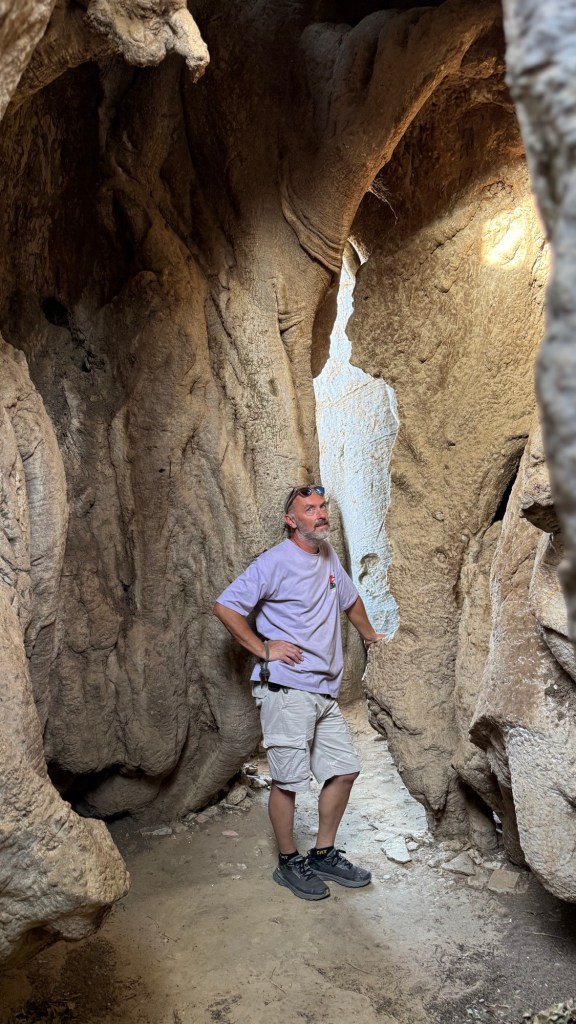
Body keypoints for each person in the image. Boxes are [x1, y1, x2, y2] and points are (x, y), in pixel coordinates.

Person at [213, 484, 384, 902]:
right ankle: (289, 862)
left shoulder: (327, 555)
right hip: (286, 689)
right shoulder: (274, 562)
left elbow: (350, 601)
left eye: (322, 507)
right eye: (309, 509)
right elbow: (225, 606)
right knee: (288, 782)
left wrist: (373, 638)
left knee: (344, 771)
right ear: (291, 521)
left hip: (323, 690)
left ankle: (323, 854)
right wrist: (263, 648)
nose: (320, 514)